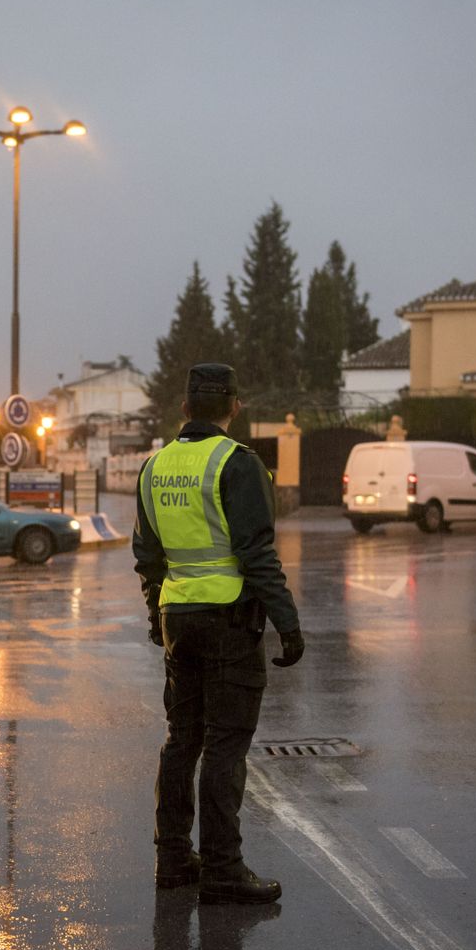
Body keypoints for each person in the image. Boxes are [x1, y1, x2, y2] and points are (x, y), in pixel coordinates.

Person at [133, 363, 305, 905]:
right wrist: (288, 623)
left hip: (178, 620)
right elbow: (257, 554)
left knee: (182, 740)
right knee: (225, 748)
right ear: (235, 406)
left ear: (184, 410)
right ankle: (224, 869)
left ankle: (174, 860)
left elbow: (147, 556)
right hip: (230, 620)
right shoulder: (237, 463)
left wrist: (156, 615)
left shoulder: (154, 467)